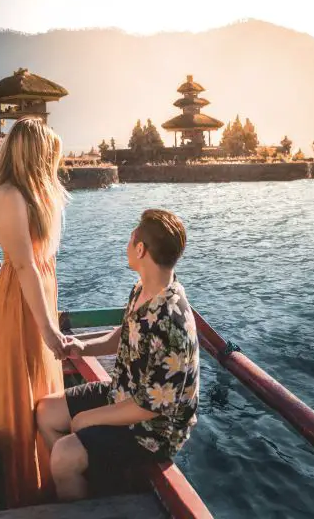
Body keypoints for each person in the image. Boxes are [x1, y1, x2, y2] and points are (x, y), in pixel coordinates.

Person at [36, 209, 199, 501]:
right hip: (123, 393)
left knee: (63, 454)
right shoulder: (143, 289)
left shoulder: (170, 323)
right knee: (47, 413)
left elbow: (149, 407)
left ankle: (80, 486)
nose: (126, 245)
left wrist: (88, 419)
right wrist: (85, 347)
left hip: (154, 429)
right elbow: (125, 334)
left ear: (141, 249)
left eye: (130, 239)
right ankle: (86, 482)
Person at [0, 117, 69, 508]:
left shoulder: (32, 195)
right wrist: (49, 329)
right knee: (23, 392)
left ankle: (51, 477)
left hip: (35, 302)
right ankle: (23, 492)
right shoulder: (10, 194)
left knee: (42, 391)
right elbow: (24, 266)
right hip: (20, 308)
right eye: (49, 155)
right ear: (33, 153)